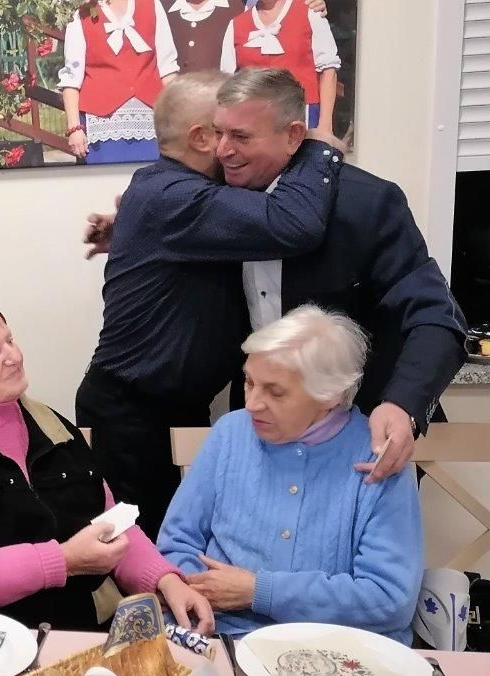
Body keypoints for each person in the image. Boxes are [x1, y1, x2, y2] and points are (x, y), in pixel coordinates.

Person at [86, 67, 467, 486]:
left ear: (293, 135)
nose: (223, 151)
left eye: (241, 136)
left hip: (363, 433)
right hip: (257, 433)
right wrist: (128, 227)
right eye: (218, 133)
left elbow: (435, 316)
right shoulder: (219, 198)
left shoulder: (366, 202)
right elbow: (166, 215)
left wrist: (403, 405)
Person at [75, 70, 343, 541]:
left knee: (183, 541)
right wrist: (319, 149)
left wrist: (125, 228)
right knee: (146, 552)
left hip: (167, 407)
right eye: (224, 130)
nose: (229, 144)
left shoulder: (166, 191)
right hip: (133, 414)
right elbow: (294, 224)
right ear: (202, 138)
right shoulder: (173, 196)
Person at [0, 300, 213, 633]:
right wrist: (63, 560)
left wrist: (163, 579)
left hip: (78, 633)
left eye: (10, 341)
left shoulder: (56, 429)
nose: (14, 357)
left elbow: (111, 523)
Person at [159, 307, 424, 642]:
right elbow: (176, 544)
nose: (252, 404)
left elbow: (389, 599)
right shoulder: (230, 433)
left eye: (275, 392)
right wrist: (195, 597)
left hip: (336, 649)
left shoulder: (377, 456)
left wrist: (259, 591)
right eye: (249, 382)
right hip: (224, 637)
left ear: (329, 396)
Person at [58, 0, 179, 164]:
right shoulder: (82, 11)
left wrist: (177, 120)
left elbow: (168, 70)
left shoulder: (152, 4)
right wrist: (74, 128)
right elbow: (72, 78)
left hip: (151, 123)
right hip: (102, 130)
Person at [220, 0, 339, 130]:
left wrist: (325, 126)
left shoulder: (309, 11)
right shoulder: (236, 24)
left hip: (301, 115)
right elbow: (226, 81)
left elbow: (328, 71)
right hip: (252, 120)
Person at [159, 0, 325, 74]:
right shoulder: (161, 5)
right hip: (175, 111)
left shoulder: (243, 4)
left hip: (219, 113)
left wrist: (314, 5)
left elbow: (277, 8)